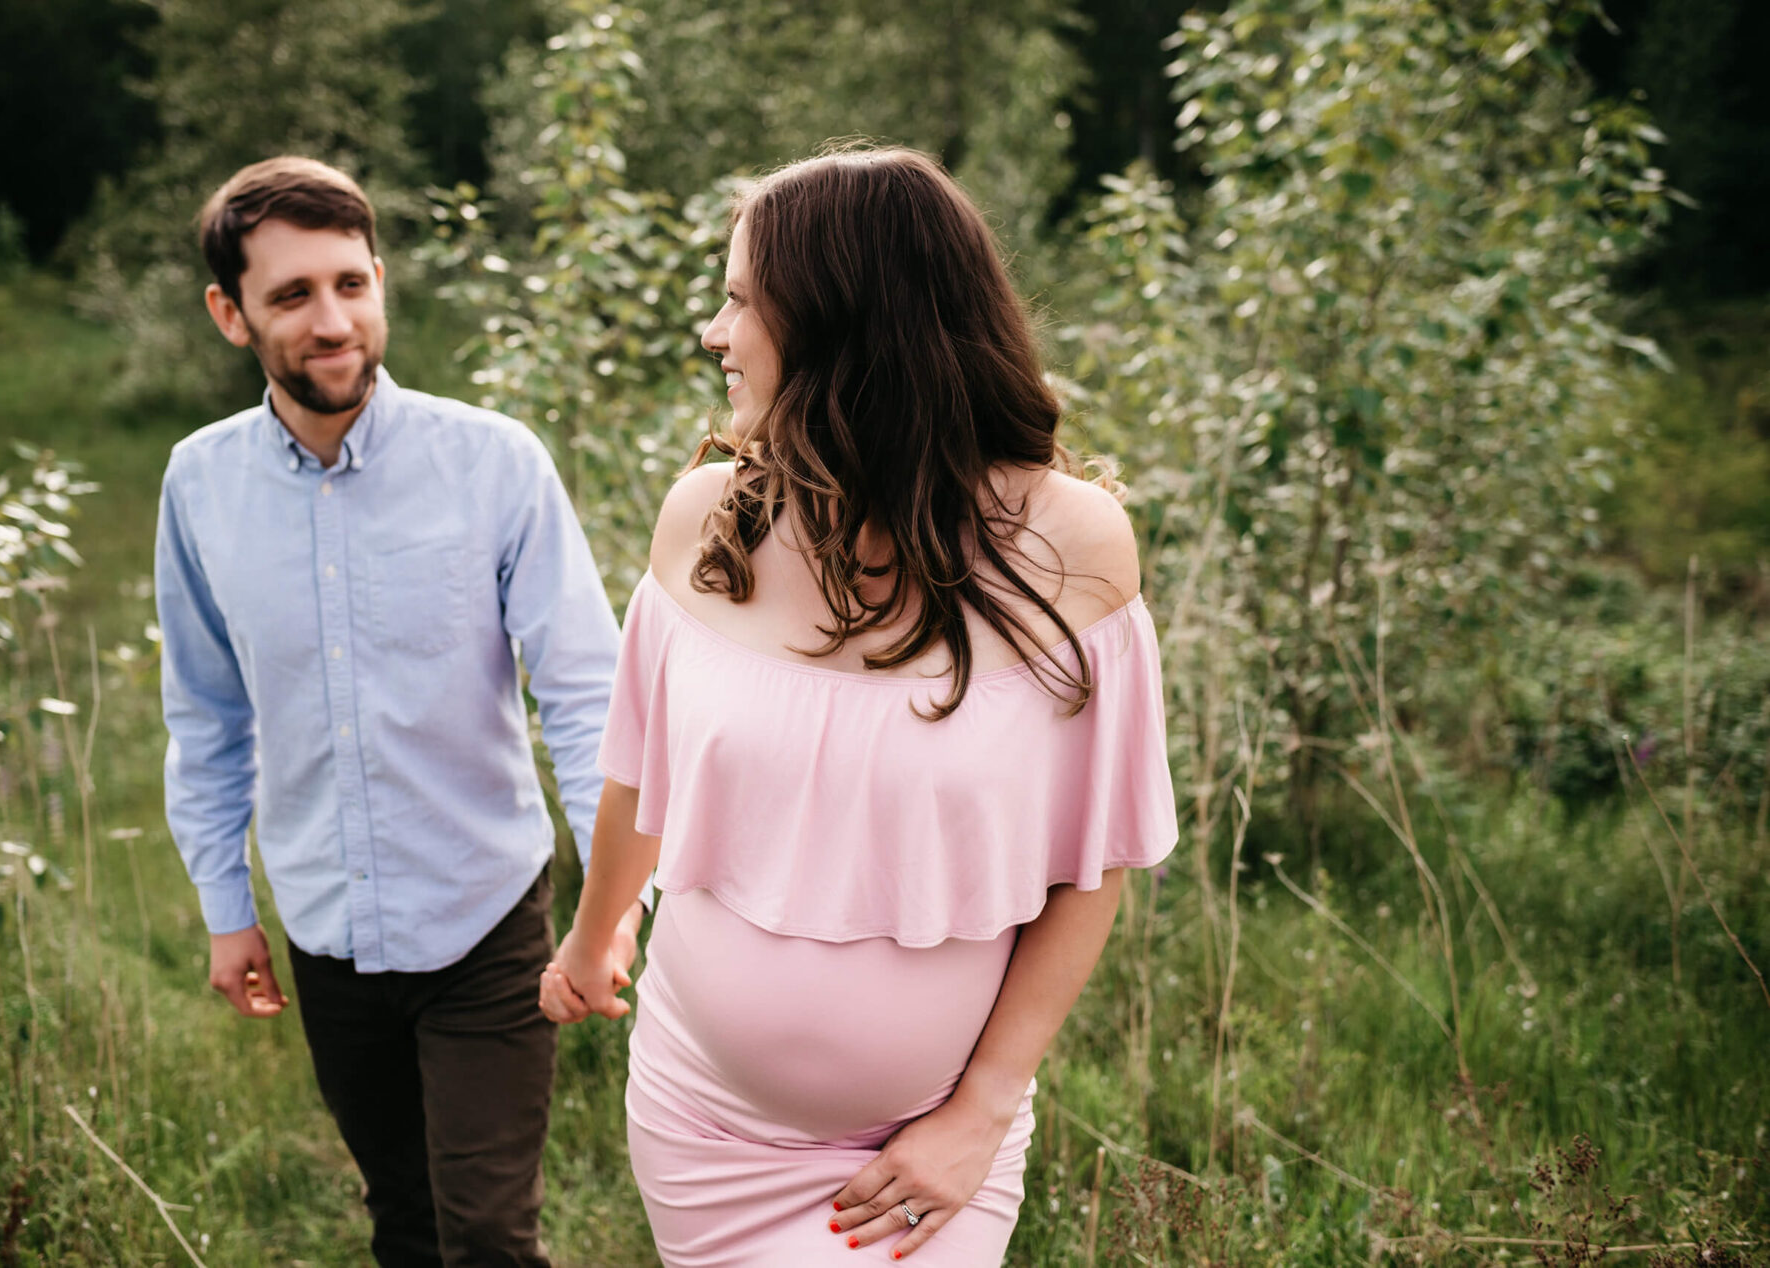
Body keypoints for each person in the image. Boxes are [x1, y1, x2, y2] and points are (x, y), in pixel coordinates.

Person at [539, 146, 1178, 1266]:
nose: (714, 331)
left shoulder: (1070, 547)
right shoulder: (706, 521)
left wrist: (981, 1106)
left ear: (840, 321)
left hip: (922, 1149)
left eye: (740, 298)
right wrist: (592, 944)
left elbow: (1097, 862)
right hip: (700, 1120)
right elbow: (639, 774)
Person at [154, 155, 645, 1268]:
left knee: (484, 1238)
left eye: (350, 283)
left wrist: (615, 906)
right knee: (406, 1223)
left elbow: (585, 696)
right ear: (230, 314)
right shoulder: (198, 484)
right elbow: (206, 712)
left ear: (380, 281)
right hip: (326, 927)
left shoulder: (494, 464)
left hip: (485, 921)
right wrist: (229, 909)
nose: (332, 321)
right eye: (291, 295)